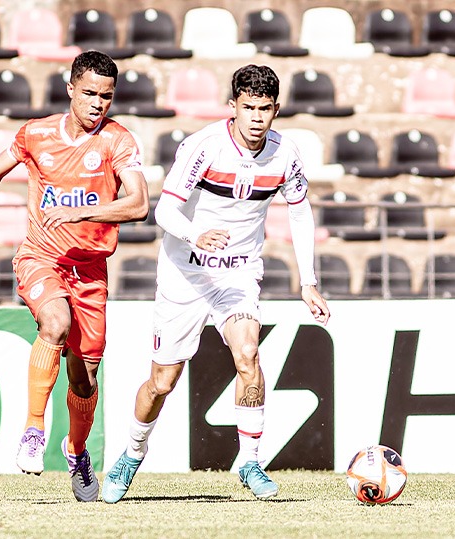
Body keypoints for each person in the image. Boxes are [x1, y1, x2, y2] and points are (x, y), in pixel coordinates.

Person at [0, 50, 149, 502]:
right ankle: (33, 430)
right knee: (54, 323)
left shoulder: (118, 141)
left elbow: (138, 204)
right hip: (41, 257)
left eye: (107, 96)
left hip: (90, 272)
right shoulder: (35, 134)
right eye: (90, 93)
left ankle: (76, 451)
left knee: (84, 379)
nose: (98, 104)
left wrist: (84, 212)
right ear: (70, 89)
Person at [101, 64, 330, 504]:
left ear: (276, 110)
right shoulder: (204, 147)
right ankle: (132, 453)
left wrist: (308, 281)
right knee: (162, 382)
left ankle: (249, 461)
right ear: (232, 107)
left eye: (265, 108)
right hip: (185, 272)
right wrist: (195, 235)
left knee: (248, 354)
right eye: (248, 108)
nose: (257, 118)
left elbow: (301, 212)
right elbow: (164, 211)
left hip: (237, 273)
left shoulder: (286, 154)